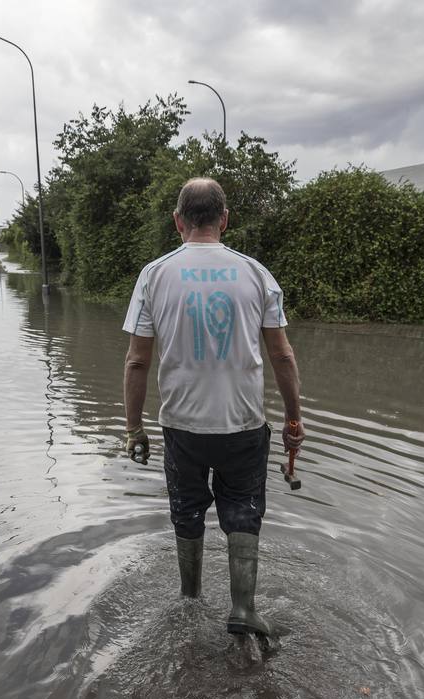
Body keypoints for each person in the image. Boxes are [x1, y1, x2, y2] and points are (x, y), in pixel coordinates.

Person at [121, 177, 304, 638]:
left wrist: (134, 429)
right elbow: (282, 355)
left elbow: (137, 360)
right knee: (244, 510)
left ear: (178, 221)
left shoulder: (154, 274)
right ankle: (243, 608)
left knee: (186, 511)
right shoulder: (256, 273)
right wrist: (294, 419)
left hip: (183, 427)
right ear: (225, 219)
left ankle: (189, 600)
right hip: (243, 424)